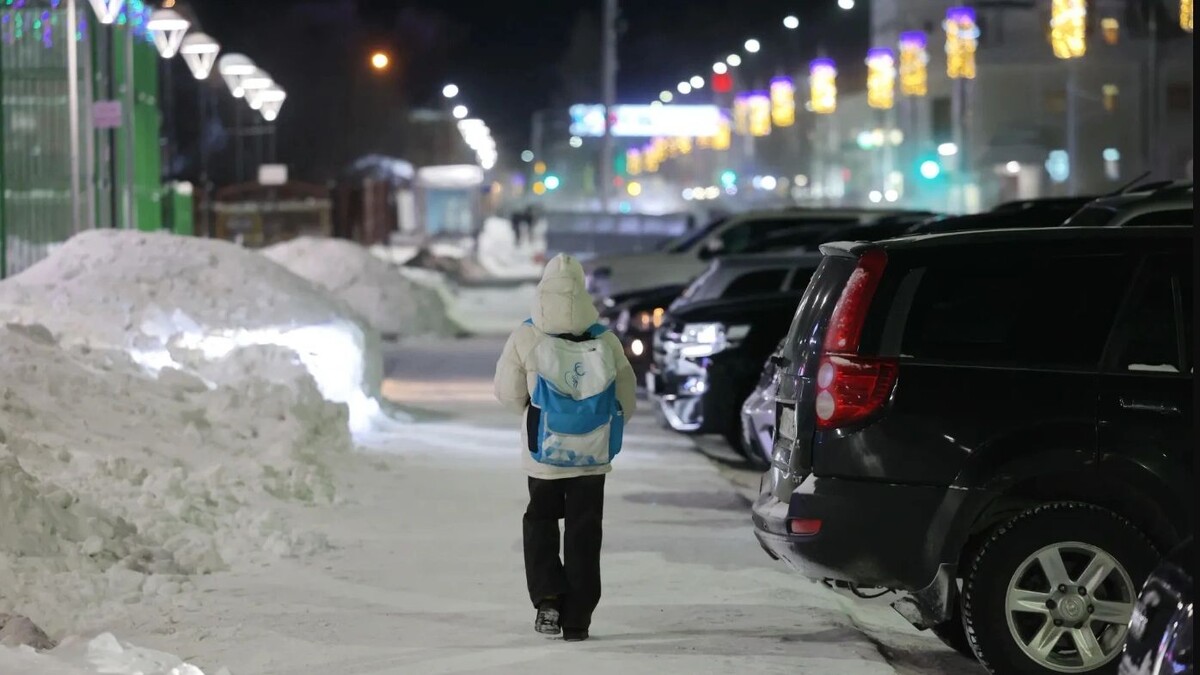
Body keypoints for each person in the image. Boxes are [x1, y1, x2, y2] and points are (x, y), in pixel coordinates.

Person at [493, 254, 637, 642]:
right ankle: (578, 620)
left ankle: (548, 598)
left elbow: (507, 394)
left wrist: (538, 413)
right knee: (584, 532)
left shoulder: (526, 336)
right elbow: (627, 397)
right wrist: (595, 424)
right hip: (591, 457)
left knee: (540, 521)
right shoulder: (605, 340)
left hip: (544, 453)